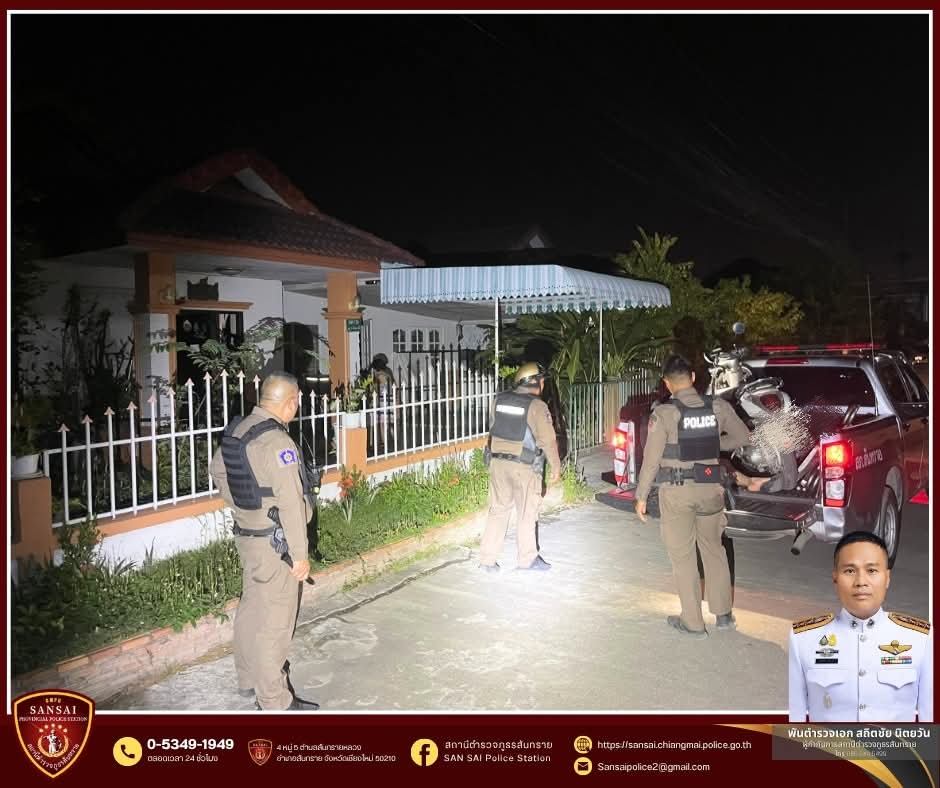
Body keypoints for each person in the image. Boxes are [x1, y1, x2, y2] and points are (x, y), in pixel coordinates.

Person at [209, 371, 320, 711]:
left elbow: (217, 470)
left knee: (252, 609)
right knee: (275, 623)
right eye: (297, 401)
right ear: (290, 402)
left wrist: (246, 508)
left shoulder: (239, 430)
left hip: (249, 537)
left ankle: (247, 680)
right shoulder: (278, 443)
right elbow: (290, 503)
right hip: (276, 547)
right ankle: (274, 701)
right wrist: (300, 556)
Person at [635, 354, 751, 638]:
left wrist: (641, 496)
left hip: (677, 494)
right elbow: (743, 437)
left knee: (684, 557)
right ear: (693, 378)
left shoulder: (664, 414)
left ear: (667, 383)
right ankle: (723, 615)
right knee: (714, 549)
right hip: (711, 490)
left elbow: (651, 460)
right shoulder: (718, 407)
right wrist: (711, 444)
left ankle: (693, 623)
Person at [788, 531, 932, 723]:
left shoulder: (921, 638)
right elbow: (795, 720)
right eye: (850, 571)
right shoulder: (803, 639)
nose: (861, 582)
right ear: (835, 578)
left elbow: (931, 721)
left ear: (887, 578)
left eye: (871, 571)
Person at [479, 362, 562, 572]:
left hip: (497, 464)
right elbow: (547, 440)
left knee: (498, 511)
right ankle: (527, 560)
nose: (543, 385)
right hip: (523, 467)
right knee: (526, 512)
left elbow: (493, 429)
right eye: (542, 381)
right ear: (534, 382)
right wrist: (556, 467)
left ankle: (487, 560)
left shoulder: (499, 400)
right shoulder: (537, 406)